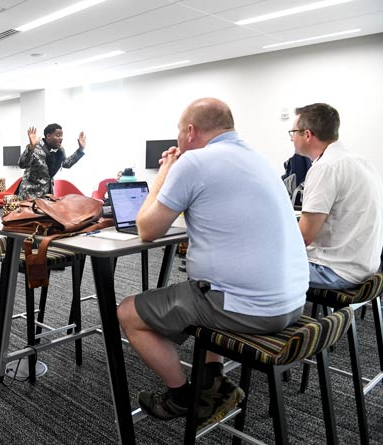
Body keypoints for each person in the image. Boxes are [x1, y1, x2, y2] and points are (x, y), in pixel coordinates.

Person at [117, 98, 308, 429]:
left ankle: (182, 395)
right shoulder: (257, 158)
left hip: (250, 307)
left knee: (128, 312)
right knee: (200, 287)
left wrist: (165, 171)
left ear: (190, 131)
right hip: (292, 301)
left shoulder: (194, 163)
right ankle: (212, 385)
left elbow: (147, 228)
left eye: (178, 132)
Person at [291, 103, 383, 289]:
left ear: (307, 135)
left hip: (335, 271)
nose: (292, 138)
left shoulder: (326, 167)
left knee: (260, 264)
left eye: (293, 132)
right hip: (368, 267)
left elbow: (304, 236)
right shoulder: (361, 161)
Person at [17, 124, 86, 199]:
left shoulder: (60, 150)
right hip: (30, 195)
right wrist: (31, 148)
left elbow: (66, 164)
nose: (61, 138)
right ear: (49, 136)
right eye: (58, 135)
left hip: (47, 195)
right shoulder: (35, 147)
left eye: (61, 136)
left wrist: (80, 150)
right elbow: (22, 164)